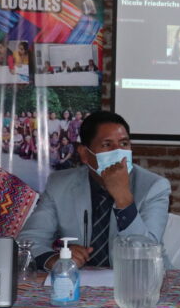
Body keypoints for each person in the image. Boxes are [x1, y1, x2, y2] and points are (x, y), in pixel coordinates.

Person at [19, 111, 171, 270]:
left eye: (124, 144)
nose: (118, 152)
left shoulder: (154, 187)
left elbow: (147, 254)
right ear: (84, 154)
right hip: (80, 284)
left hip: (140, 284)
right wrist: (53, 258)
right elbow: (28, 241)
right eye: (107, 145)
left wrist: (123, 200)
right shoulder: (60, 185)